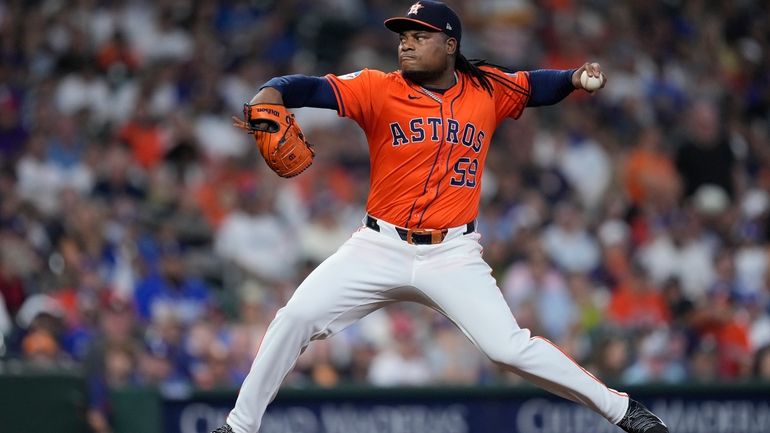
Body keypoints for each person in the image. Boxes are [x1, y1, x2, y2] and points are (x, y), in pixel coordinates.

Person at [214, 2, 668, 433]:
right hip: (378, 245)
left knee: (506, 348)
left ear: (450, 45)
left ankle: (623, 410)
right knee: (295, 317)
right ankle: (238, 427)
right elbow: (307, 87)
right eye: (402, 37)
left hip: (453, 252)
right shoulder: (377, 87)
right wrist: (268, 92)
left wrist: (572, 77)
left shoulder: (487, 88)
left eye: (418, 36)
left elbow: (534, 86)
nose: (405, 45)